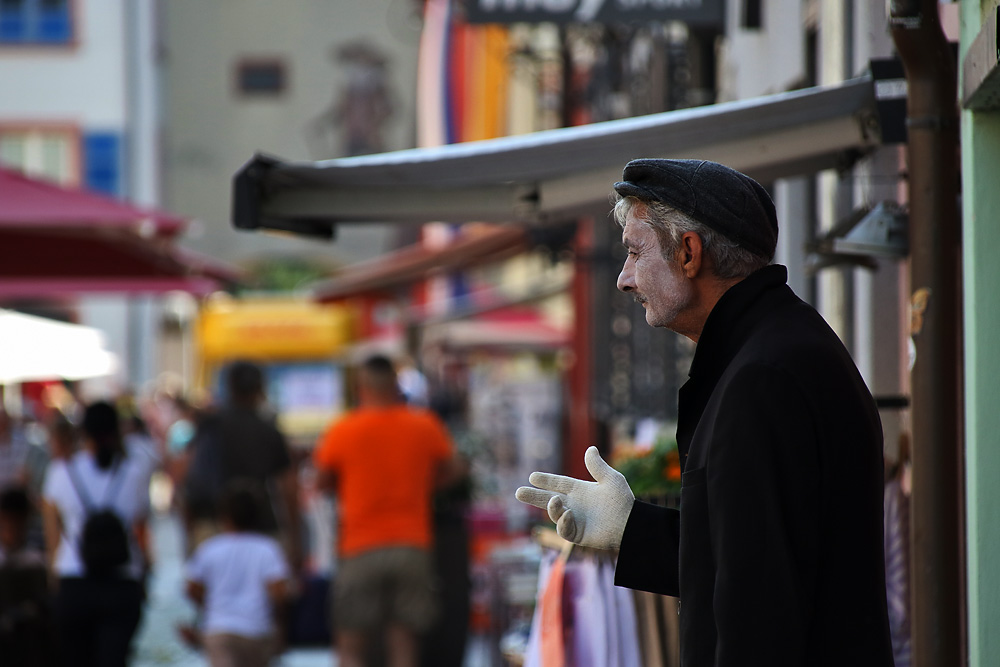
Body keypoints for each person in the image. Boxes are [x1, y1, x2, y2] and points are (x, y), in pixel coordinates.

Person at [516, 159, 894, 666]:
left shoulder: (763, 376)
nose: (625, 279)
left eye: (633, 252)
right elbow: (742, 557)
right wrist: (632, 528)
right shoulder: (774, 350)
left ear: (689, 252)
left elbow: (759, 614)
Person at [313, 355, 464, 667]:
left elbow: (322, 481)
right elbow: (455, 470)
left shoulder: (343, 429)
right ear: (395, 385)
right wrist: (425, 486)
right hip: (412, 543)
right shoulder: (424, 425)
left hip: (359, 545)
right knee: (404, 641)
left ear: (361, 387)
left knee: (352, 643)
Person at [41, 401, 153, 667]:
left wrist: (53, 578)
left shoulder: (61, 472)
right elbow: (141, 529)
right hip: (122, 582)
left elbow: (52, 535)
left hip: (74, 581)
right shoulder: (134, 473)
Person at [181, 361, 301, 569]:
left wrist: (189, 532)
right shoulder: (268, 430)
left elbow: (186, 478)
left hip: (212, 526)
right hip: (260, 528)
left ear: (228, 386)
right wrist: (295, 538)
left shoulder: (210, 426)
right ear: (260, 389)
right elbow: (288, 488)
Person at [185, 480, 291, 667]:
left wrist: (211, 604)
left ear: (224, 516)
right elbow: (279, 593)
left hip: (218, 630)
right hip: (256, 630)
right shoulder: (267, 549)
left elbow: (192, 589)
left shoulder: (210, 548)